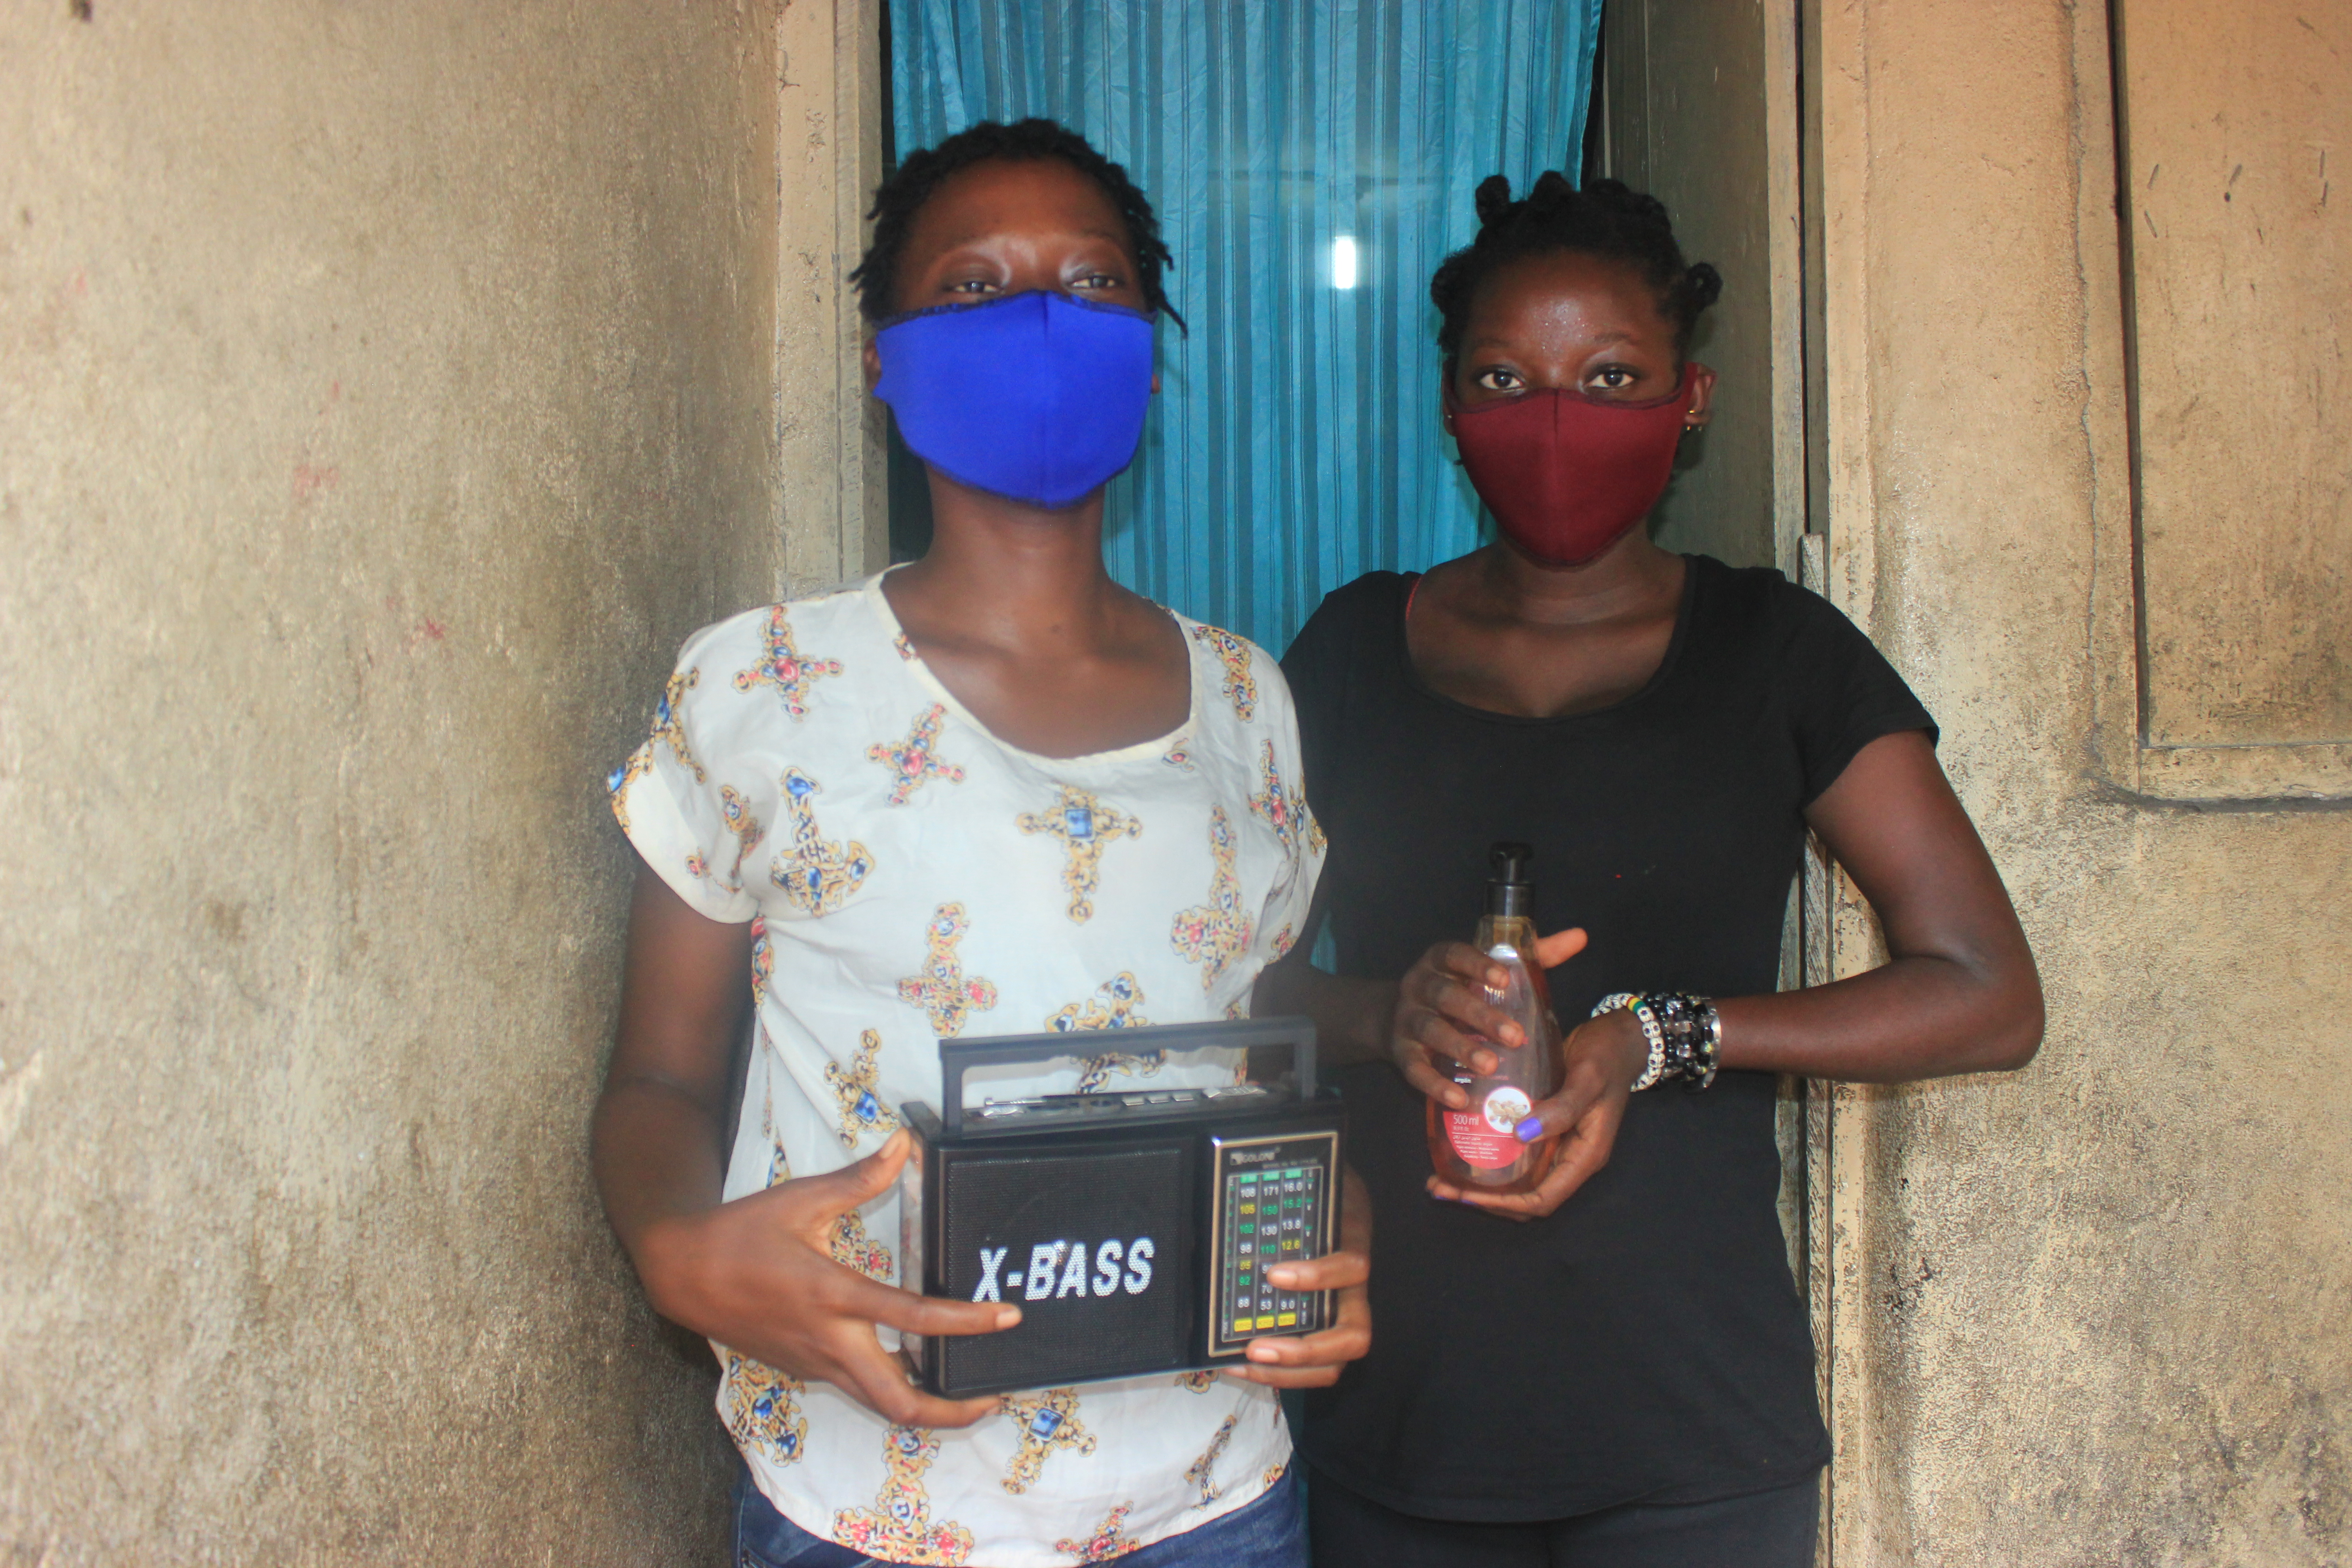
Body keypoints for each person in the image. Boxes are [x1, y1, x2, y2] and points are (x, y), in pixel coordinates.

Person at [593, 118, 1368, 1568]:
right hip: (870, 1499)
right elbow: (655, 1074)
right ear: (881, 362)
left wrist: (1341, 1226)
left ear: (1152, 348)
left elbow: (1252, 1046)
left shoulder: (1251, 700)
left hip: (1212, 1490)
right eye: (973, 286)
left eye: (1092, 282)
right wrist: (676, 1251)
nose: (1040, 320)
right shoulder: (760, 687)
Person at [1256, 172, 2044, 1566]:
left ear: (1692, 400)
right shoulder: (1351, 652)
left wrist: (1656, 1035)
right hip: (1403, 1410)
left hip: (1690, 1428)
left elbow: (1986, 992)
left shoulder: (1776, 653)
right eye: (1508, 376)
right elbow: (1237, 988)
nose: (1557, 417)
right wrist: (1381, 1010)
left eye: (1610, 374)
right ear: (1451, 409)